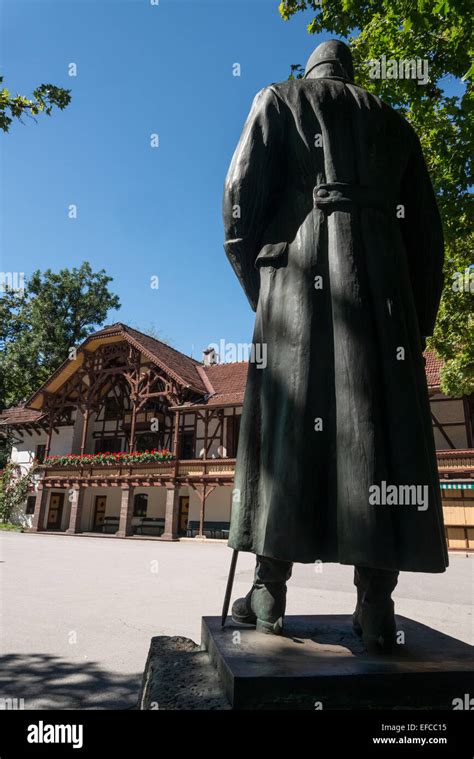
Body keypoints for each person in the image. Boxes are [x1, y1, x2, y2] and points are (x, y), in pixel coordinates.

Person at [222, 40, 447, 653]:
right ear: (349, 74)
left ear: (311, 71)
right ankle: (376, 607)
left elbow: (238, 204)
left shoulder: (279, 99)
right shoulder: (395, 124)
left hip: (296, 281)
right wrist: (411, 323)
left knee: (284, 430)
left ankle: (268, 593)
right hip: (384, 300)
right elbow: (428, 238)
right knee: (379, 440)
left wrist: (263, 288)